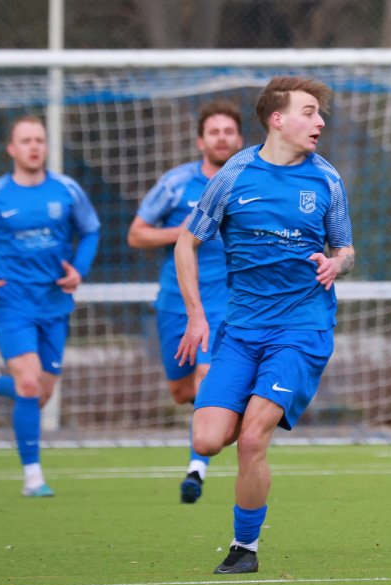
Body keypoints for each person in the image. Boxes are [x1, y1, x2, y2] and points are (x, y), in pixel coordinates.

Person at [175, 76, 355, 574]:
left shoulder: (326, 179)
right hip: (241, 331)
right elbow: (186, 242)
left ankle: (244, 549)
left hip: (302, 330)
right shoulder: (234, 175)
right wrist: (196, 315)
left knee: (253, 438)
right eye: (309, 111)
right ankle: (227, 436)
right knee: (210, 438)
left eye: (321, 113)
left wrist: (337, 264)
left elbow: (347, 249)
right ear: (278, 119)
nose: (320, 121)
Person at [0, 116, 101, 497]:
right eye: (26, 140)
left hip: (54, 303)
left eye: (39, 140)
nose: (34, 146)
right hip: (11, 304)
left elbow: (90, 230)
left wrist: (79, 270)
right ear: (11, 149)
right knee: (28, 382)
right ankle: (33, 476)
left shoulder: (66, 190)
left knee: (39, 394)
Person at [127, 100, 244, 504]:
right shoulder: (176, 184)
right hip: (176, 303)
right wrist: (183, 232)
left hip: (225, 306)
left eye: (229, 131)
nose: (222, 138)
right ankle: (222, 412)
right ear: (200, 140)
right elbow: (137, 234)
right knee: (180, 392)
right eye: (215, 132)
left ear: (240, 138)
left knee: (205, 380)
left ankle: (196, 468)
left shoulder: (247, 182)